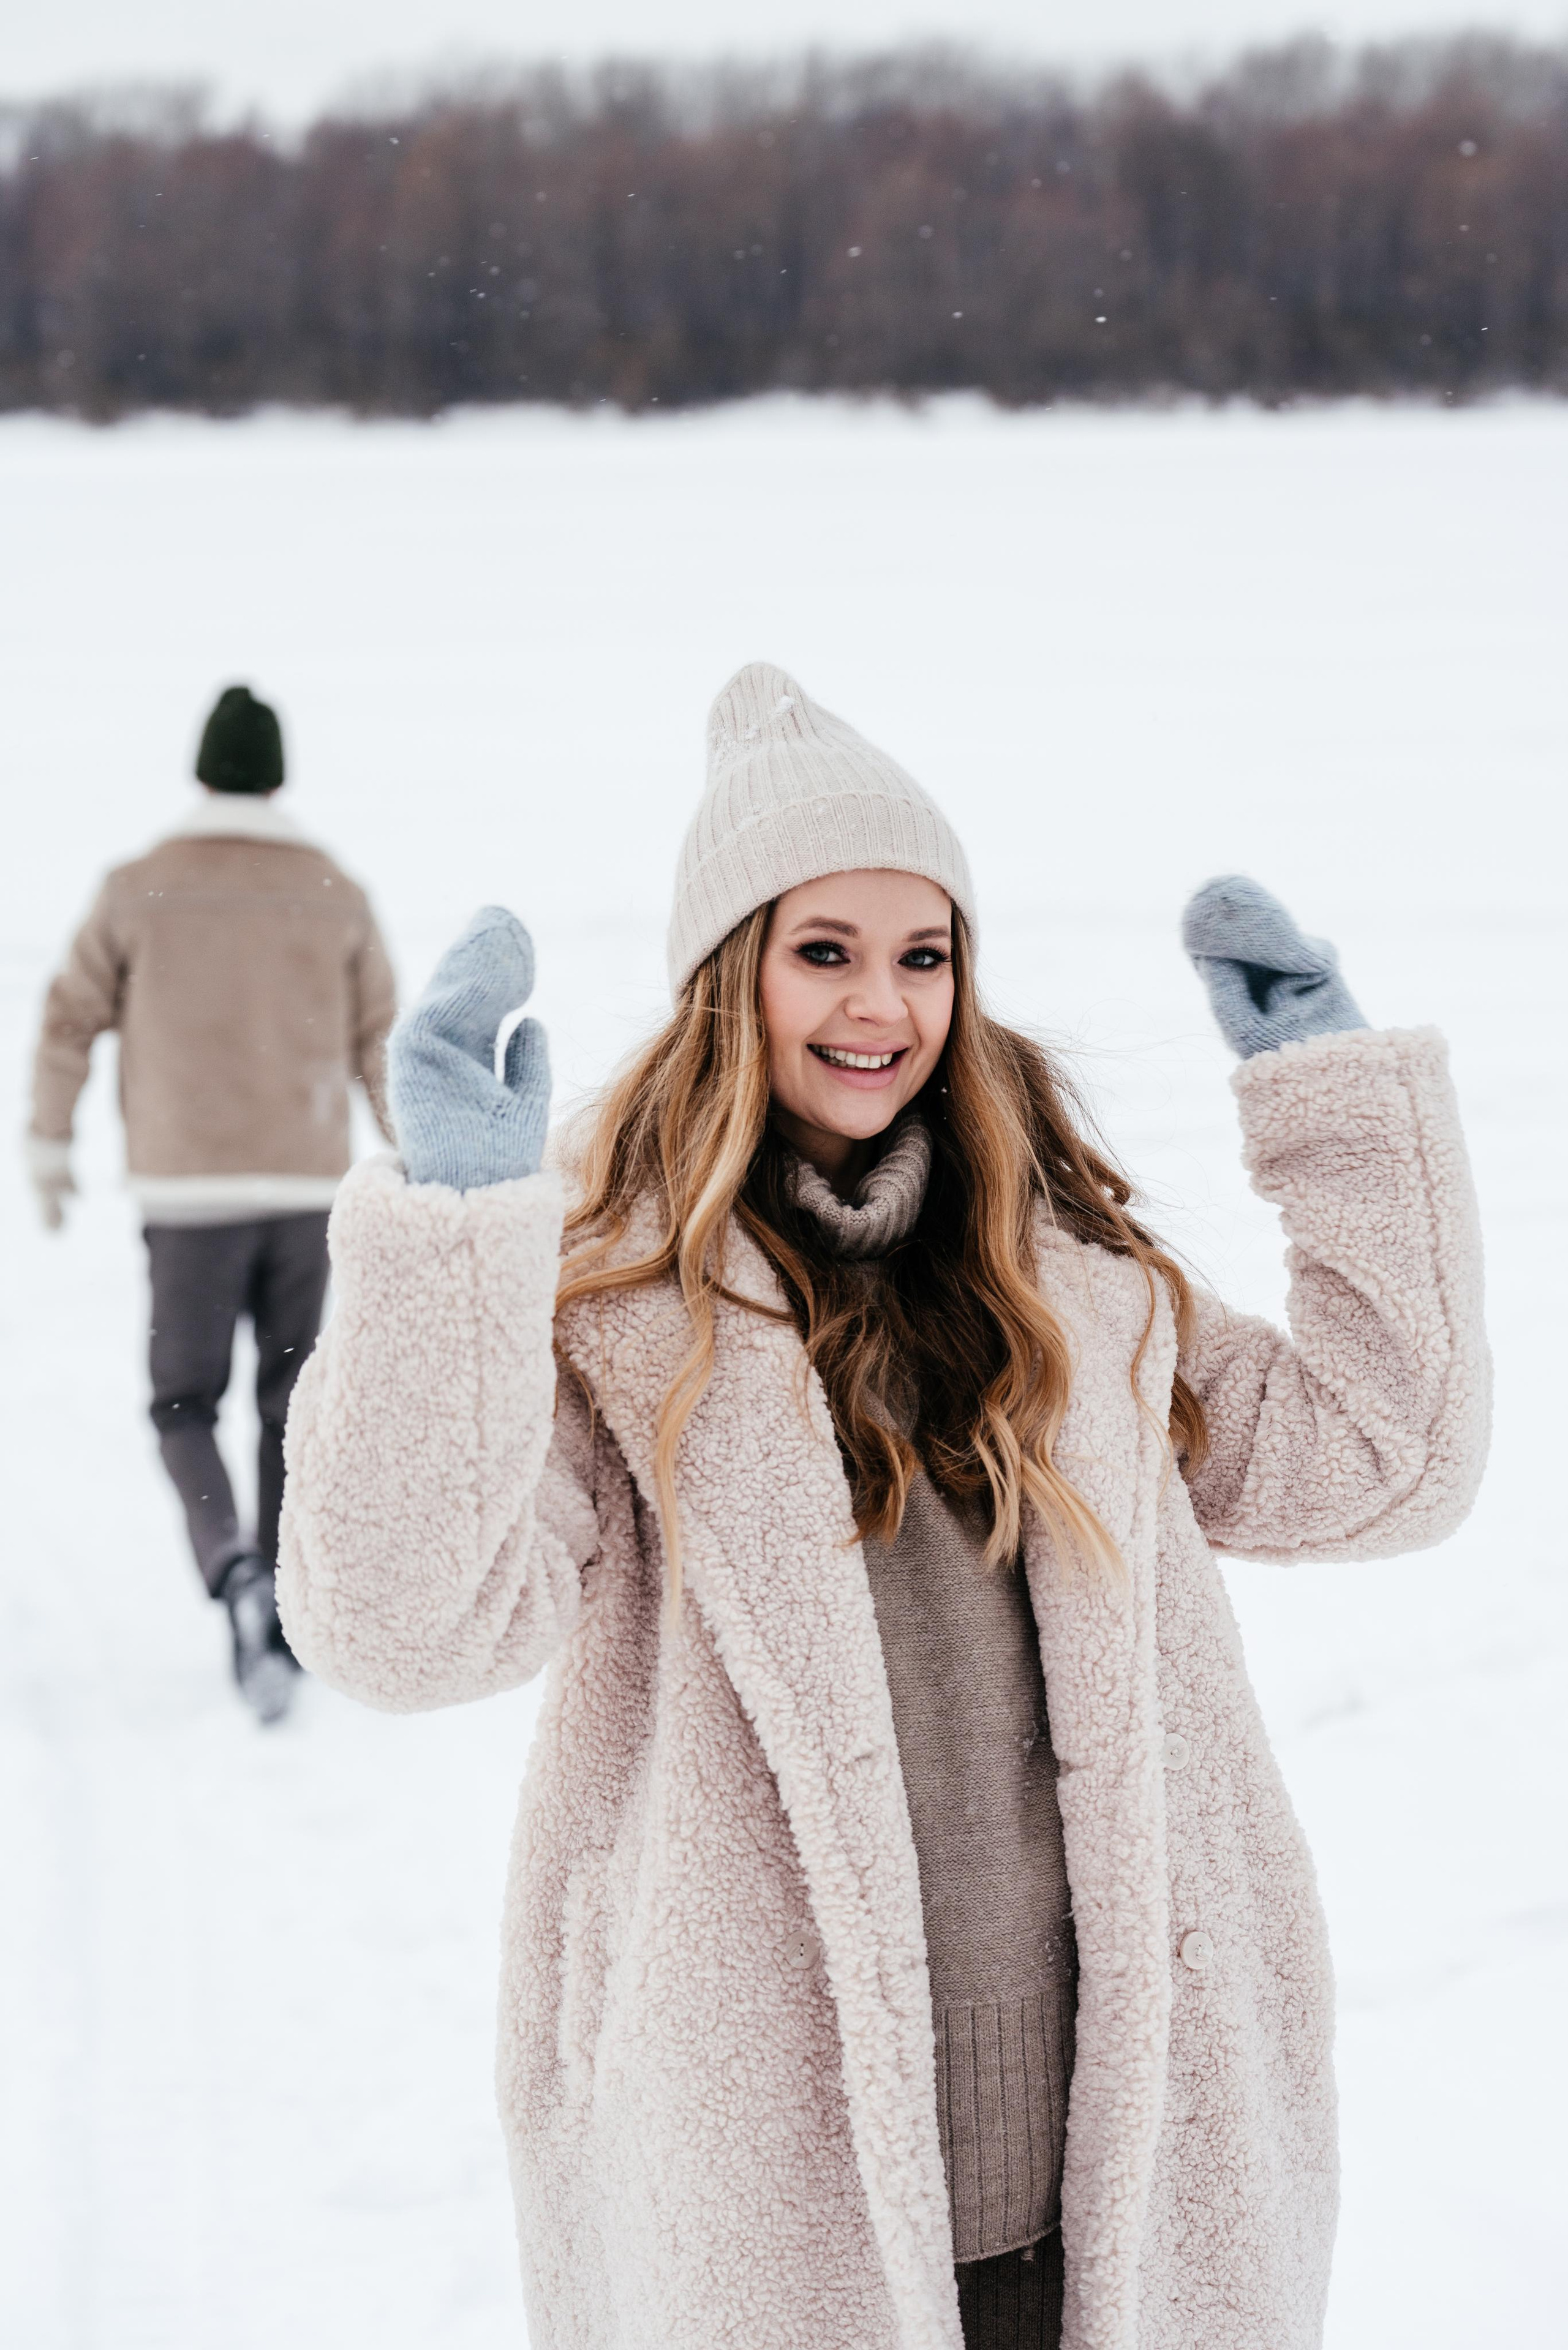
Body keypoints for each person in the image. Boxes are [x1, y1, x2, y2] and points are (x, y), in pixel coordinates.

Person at [277, 663, 1488, 2348]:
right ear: (731, 977)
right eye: (823, 950)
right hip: (780, 2222)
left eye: (924, 952)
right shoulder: (622, 1320)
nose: (882, 1004)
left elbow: (1389, 1458)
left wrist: (1343, 1109)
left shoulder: (1076, 1291)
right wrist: (451, 1244)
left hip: (1121, 2196)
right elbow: (400, 1626)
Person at [28, 683, 396, 1725]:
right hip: (301, 1190)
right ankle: (277, 1605)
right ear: (278, 773)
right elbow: (384, 1041)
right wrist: (424, 1160)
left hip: (186, 1195)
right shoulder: (336, 889)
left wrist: (50, 1142)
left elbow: (67, 1019)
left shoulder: (139, 885)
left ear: (202, 769)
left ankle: (229, 1563)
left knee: (183, 1401)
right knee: (289, 1400)